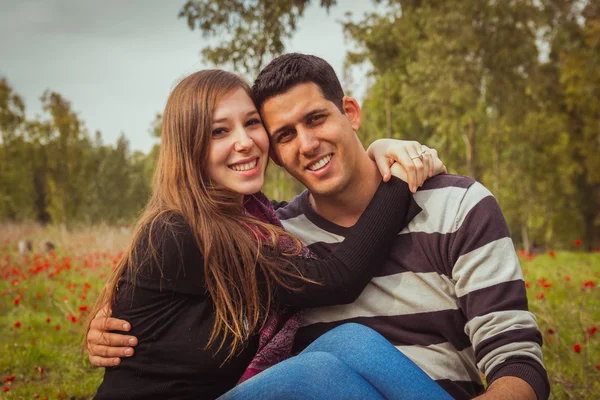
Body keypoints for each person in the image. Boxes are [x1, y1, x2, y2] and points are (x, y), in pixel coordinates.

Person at [89, 53, 550, 399]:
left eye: (252, 125)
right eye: (218, 131)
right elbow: (339, 278)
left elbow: (517, 360)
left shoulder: (457, 206)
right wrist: (400, 180)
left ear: (350, 113)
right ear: (188, 148)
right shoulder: (261, 236)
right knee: (319, 371)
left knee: (349, 342)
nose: (246, 142)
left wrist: (384, 155)